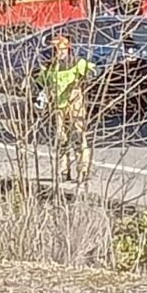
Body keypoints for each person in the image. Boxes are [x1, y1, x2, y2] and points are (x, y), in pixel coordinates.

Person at [40, 34, 97, 182]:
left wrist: (88, 75)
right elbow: (42, 82)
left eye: (62, 50)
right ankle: (63, 171)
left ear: (68, 50)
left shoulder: (77, 62)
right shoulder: (51, 67)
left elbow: (93, 70)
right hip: (58, 107)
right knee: (61, 139)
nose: (60, 53)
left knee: (78, 137)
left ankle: (83, 170)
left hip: (75, 105)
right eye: (57, 50)